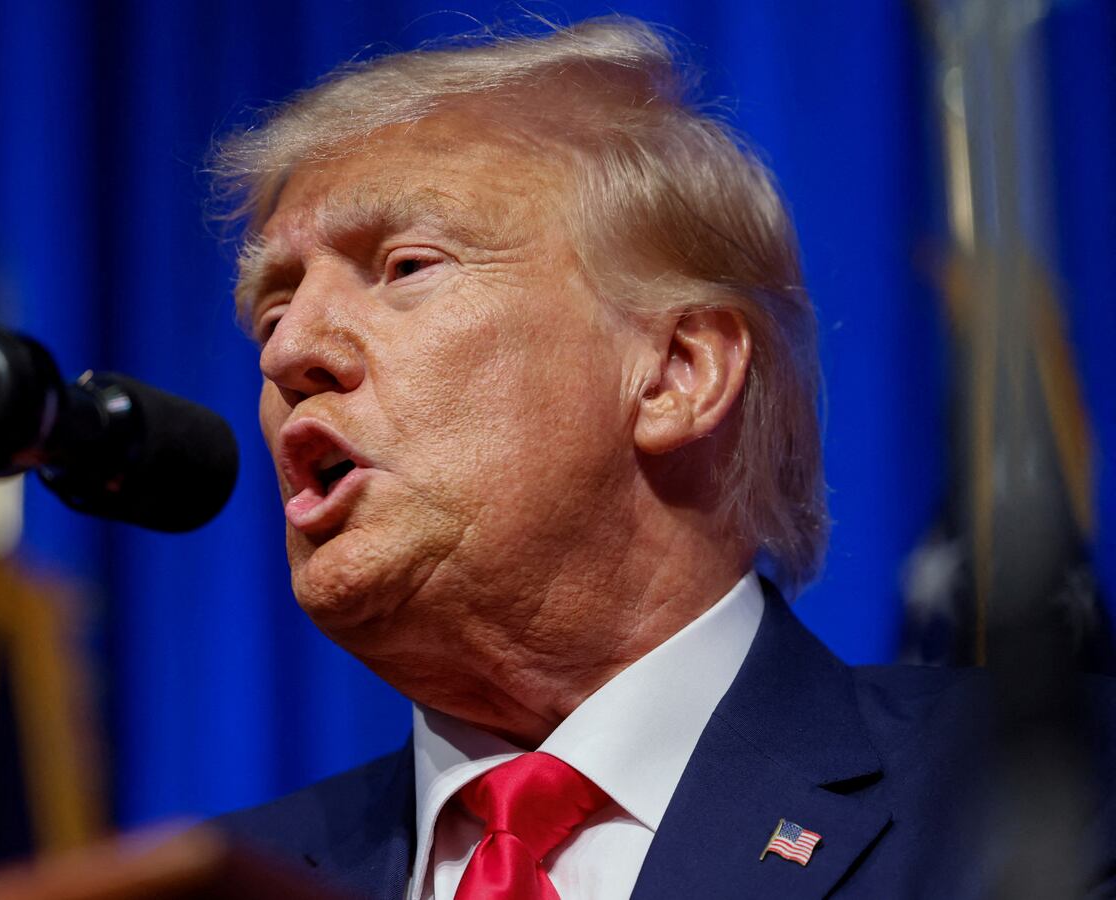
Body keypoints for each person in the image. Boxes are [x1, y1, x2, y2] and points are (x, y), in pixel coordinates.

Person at [206, 16, 1111, 899]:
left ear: (679, 373)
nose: (287, 356)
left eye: (406, 266)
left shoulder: (1045, 799)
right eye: (274, 312)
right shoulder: (225, 881)